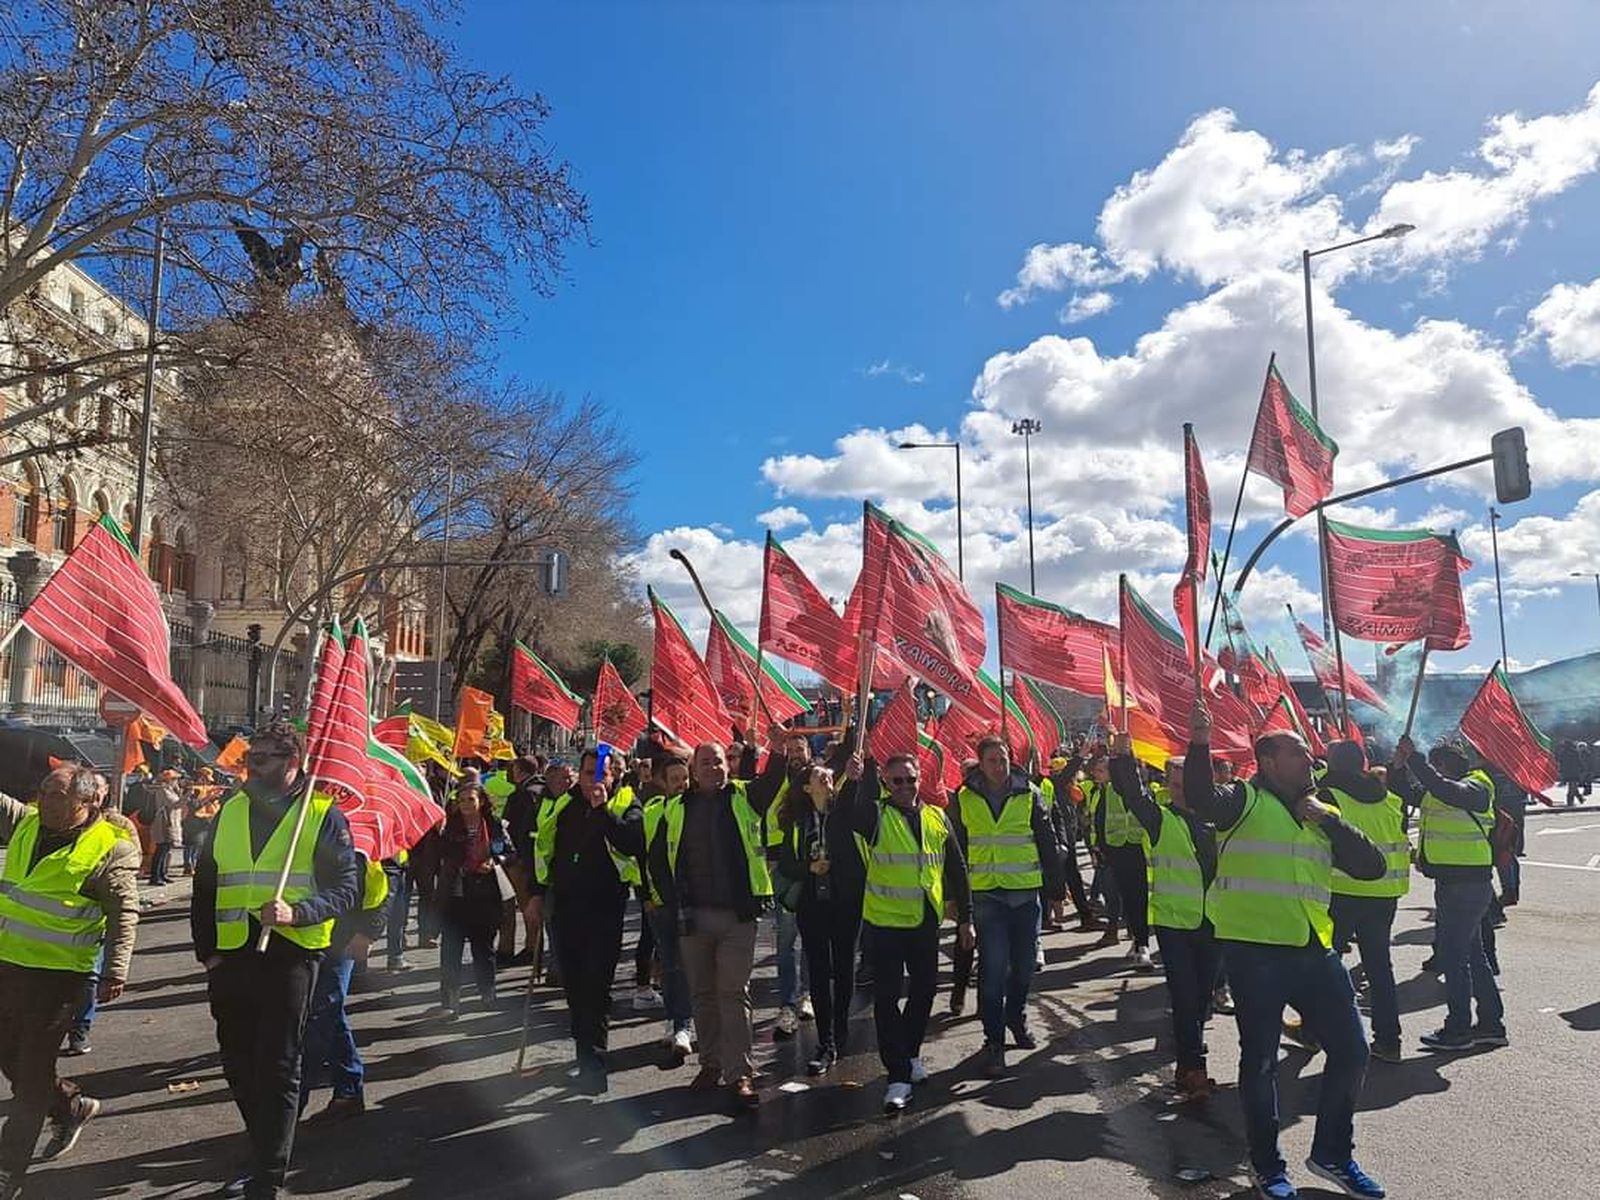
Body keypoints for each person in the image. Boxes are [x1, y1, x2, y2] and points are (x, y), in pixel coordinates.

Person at [1186, 702, 1388, 1200]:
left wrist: (1329, 822)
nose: (1309, 759)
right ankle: (1267, 1167)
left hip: (1313, 949)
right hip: (1253, 953)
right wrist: (1197, 742)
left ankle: (1332, 1155)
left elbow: (1372, 868)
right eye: (1298, 752)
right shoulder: (1243, 802)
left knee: (1352, 1049)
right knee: (1260, 1063)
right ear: (1268, 761)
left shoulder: (1323, 811)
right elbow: (1201, 798)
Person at [191, 721, 361, 1200]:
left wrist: (298, 912)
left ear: (294, 763)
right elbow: (205, 884)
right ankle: (264, 1144)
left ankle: (266, 1176)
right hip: (231, 955)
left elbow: (347, 888)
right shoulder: (232, 807)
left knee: (279, 1065)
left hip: (292, 953)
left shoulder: (323, 813)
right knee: (237, 1063)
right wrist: (208, 952)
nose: (250, 766)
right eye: (250, 757)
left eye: (262, 758)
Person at [0, 766, 139, 1199]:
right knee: (12, 1060)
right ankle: (70, 1106)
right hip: (7, 965)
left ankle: (8, 1172)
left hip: (60, 979)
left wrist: (116, 969)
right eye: (42, 792)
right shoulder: (26, 822)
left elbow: (124, 914)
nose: (44, 801)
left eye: (56, 795)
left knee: (31, 1074)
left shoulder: (110, 849)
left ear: (87, 802)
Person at [839, 751, 974, 1113]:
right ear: (885, 781)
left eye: (910, 779)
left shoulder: (936, 816)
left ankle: (911, 1053)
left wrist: (966, 918)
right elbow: (847, 816)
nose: (904, 786)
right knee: (886, 1000)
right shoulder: (877, 815)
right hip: (884, 924)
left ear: (919, 780)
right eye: (896, 780)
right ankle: (897, 1075)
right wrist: (852, 780)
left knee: (925, 992)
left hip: (924, 923)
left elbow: (958, 870)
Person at [644, 741, 772, 1112]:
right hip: (693, 919)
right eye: (705, 762)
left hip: (737, 917)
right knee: (702, 994)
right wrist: (671, 904)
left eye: (718, 761)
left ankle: (740, 1074)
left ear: (727, 765)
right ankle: (710, 1065)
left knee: (733, 994)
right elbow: (657, 860)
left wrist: (775, 749)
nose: (713, 767)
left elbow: (776, 780)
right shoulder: (675, 808)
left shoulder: (744, 797)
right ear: (693, 769)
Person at [527, 747, 643, 1091]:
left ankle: (594, 1064)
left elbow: (632, 842)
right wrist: (536, 893)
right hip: (565, 907)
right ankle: (583, 1055)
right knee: (575, 988)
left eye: (601, 773)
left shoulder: (626, 803)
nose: (593, 779)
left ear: (614, 776)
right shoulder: (563, 804)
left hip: (604, 908)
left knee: (596, 987)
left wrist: (602, 810)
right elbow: (544, 848)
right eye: (588, 771)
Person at [949, 735, 1066, 1078]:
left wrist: (1057, 890)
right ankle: (994, 1041)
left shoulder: (1029, 793)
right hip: (987, 897)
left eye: (1002, 760)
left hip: (1025, 896)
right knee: (993, 972)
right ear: (980, 763)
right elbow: (955, 852)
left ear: (1009, 759)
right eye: (991, 761)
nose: (998, 767)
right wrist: (955, 900)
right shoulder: (964, 797)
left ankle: (1016, 1017)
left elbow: (1046, 840)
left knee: (1025, 967)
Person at [1113, 743, 1220, 1101]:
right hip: (1174, 923)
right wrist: (1121, 757)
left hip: (1213, 922)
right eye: (1174, 784)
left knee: (1203, 996)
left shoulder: (1218, 819)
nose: (1181, 790)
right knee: (1186, 996)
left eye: (1186, 782)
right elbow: (1132, 792)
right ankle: (1191, 1068)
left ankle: (1189, 1055)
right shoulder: (1160, 818)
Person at [1392, 736, 1507, 1053]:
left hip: (1466, 885)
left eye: (1435, 766)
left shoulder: (1477, 785)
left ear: (1444, 765)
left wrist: (1415, 759)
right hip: (1455, 883)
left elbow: (1446, 790)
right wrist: (1401, 768)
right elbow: (1408, 792)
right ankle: (1490, 1024)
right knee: (1473, 956)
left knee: (1454, 959)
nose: (1432, 773)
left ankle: (1458, 1029)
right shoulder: (1443, 790)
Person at [1321, 739, 1409, 1064]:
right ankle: (1388, 1040)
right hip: (1384, 894)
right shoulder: (1390, 798)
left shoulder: (1328, 796)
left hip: (1341, 892)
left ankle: (1317, 1032)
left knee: (1323, 965)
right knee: (1379, 967)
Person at [775, 760, 865, 1076]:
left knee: (843, 969)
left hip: (845, 902)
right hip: (812, 904)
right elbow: (785, 864)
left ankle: (840, 1031)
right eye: (818, 775)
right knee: (819, 970)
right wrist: (808, 869)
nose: (826, 775)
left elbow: (854, 803)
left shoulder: (843, 812)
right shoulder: (797, 822)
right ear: (806, 787)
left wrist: (853, 776)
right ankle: (825, 1043)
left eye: (829, 772)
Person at [298, 854, 389, 1123]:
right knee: (327, 1012)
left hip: (341, 940)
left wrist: (368, 932)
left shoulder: (358, 840)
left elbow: (380, 889)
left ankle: (303, 1100)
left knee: (324, 1011)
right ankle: (348, 1088)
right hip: (305, 936)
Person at [746, 729, 815, 1041]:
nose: (796, 755)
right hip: (780, 866)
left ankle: (807, 996)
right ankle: (788, 1003)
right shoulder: (775, 781)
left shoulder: (818, 783)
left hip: (812, 871)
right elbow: (755, 789)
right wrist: (768, 750)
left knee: (811, 939)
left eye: (801, 750)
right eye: (791, 750)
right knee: (786, 942)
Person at [640, 753, 696, 1061]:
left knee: (692, 967)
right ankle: (678, 1023)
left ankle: (685, 1023)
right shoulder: (652, 811)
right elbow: (641, 856)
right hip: (661, 903)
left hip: (694, 902)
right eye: (674, 779)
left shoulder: (699, 808)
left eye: (684, 778)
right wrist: (646, 895)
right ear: (664, 782)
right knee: (672, 966)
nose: (681, 784)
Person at [435, 783, 508, 1018]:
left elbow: (510, 851)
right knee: (451, 952)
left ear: (482, 802)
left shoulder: (494, 824)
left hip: (485, 896)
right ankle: (450, 1001)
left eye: (471, 800)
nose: (466, 804)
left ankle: (487, 993)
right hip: (456, 896)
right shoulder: (451, 826)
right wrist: (439, 833)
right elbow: (441, 853)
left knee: (484, 949)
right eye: (462, 800)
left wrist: (496, 861)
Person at [1084, 750, 1155, 970]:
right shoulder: (1105, 793)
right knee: (1125, 899)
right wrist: (1101, 849)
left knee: (1140, 898)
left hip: (1138, 850)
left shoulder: (1141, 792)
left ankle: (1141, 942)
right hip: (1116, 851)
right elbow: (1100, 820)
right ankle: (1135, 938)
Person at [497, 756, 542, 966]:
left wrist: (519, 856)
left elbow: (521, 828)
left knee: (523, 904)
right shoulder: (541, 791)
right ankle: (532, 946)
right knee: (528, 904)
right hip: (533, 857)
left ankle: (531, 947)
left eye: (513, 769)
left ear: (520, 771)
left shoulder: (525, 794)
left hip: (520, 858)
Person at [148, 769, 186, 886]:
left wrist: (180, 792)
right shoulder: (163, 790)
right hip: (164, 823)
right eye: (174, 779)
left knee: (166, 849)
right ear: (169, 780)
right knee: (161, 849)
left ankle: (163, 873)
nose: (177, 781)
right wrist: (187, 795)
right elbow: (175, 804)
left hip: (171, 822)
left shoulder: (172, 790)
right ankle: (155, 876)